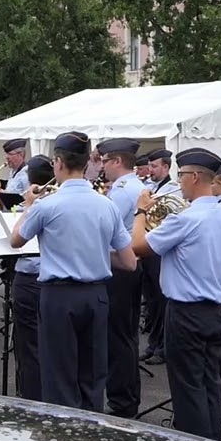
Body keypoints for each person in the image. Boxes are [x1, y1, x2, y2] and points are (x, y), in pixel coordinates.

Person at [10, 131, 136, 412]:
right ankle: (91, 438)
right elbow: (129, 262)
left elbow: (16, 239)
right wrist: (93, 253)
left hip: (59, 296)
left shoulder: (46, 205)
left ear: (57, 162)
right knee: (92, 377)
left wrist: (28, 206)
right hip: (96, 295)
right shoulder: (107, 204)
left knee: (59, 377)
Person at [132, 148, 221, 441]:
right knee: (209, 385)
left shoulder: (185, 219)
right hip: (216, 311)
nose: (179, 182)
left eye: (181, 176)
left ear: (194, 177)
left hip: (185, 312)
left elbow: (138, 247)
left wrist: (141, 210)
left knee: (188, 388)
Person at [98, 137, 145, 418]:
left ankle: (122, 401)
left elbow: (106, 229)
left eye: (104, 161)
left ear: (116, 161)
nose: (102, 166)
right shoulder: (134, 187)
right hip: (128, 266)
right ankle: (125, 397)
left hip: (119, 267)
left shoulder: (121, 191)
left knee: (118, 337)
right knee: (126, 335)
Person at [10, 155, 51, 401]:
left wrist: (27, 207)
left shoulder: (37, 206)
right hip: (53, 281)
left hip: (30, 276)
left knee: (29, 346)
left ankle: (31, 397)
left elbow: (16, 240)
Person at [140, 148, 179, 365]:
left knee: (162, 299)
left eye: (155, 166)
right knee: (152, 300)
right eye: (151, 166)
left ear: (166, 167)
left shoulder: (174, 190)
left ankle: (163, 347)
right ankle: (153, 343)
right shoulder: (150, 187)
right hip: (148, 245)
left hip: (161, 248)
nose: (151, 170)